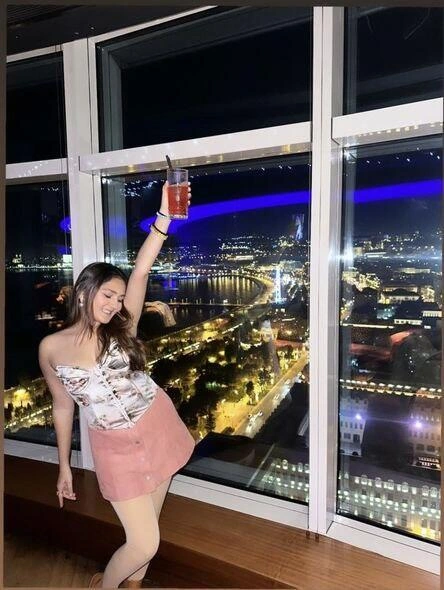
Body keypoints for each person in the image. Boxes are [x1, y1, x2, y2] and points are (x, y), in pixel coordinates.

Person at [38, 181, 195, 589]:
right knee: (144, 542)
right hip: (114, 448)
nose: (114, 305)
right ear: (84, 292)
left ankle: (133, 586)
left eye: (120, 298)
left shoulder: (122, 327)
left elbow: (141, 268)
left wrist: (163, 217)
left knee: (148, 531)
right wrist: (64, 465)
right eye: (107, 295)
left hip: (157, 424)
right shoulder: (51, 347)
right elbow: (62, 407)